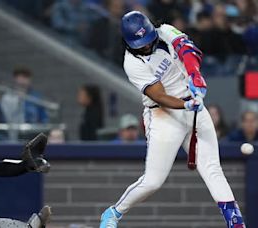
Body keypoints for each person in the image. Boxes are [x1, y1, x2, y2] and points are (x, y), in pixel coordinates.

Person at [99, 11, 245, 228]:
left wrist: (195, 75)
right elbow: (159, 95)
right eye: (141, 44)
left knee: (212, 167)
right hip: (163, 114)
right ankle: (114, 212)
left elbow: (188, 49)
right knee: (153, 181)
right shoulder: (132, 63)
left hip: (194, 106)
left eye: (148, 40)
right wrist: (185, 104)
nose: (146, 46)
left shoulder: (164, 30)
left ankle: (235, 221)